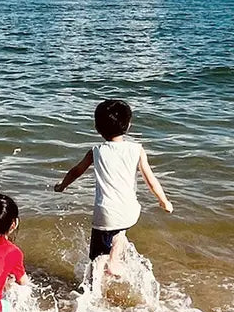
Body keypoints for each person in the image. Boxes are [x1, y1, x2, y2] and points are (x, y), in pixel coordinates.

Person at [54, 99, 173, 276]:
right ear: (129, 125)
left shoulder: (96, 151)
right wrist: (164, 201)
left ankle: (96, 285)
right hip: (130, 211)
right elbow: (151, 180)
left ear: (97, 127)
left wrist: (62, 186)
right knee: (120, 231)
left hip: (106, 213)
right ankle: (115, 260)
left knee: (96, 257)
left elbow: (76, 171)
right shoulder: (137, 149)